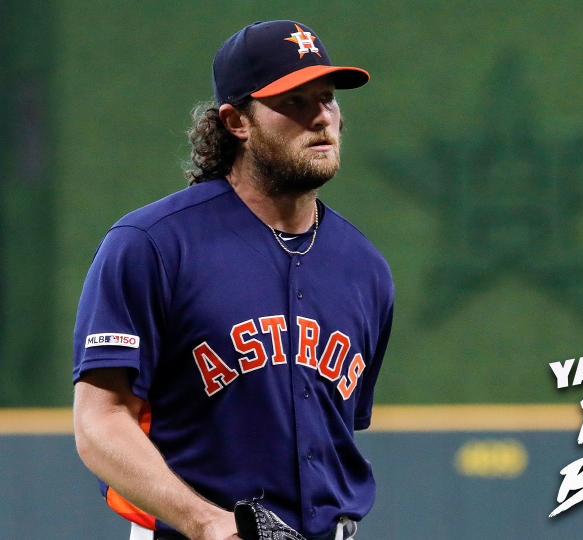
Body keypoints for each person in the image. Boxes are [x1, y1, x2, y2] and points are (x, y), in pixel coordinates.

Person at [72, 20, 393, 540]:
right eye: (293, 102)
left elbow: (335, 436)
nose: (321, 118)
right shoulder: (153, 244)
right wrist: (205, 522)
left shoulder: (365, 267)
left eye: (328, 98)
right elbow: (99, 423)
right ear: (236, 122)